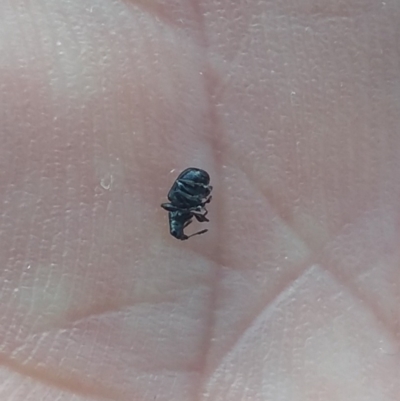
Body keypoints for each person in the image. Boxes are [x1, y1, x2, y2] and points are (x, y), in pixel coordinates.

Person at [0, 1, 399, 400]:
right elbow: (184, 205)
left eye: (181, 228)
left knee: (188, 208)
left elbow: (182, 204)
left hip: (190, 190)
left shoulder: (179, 208)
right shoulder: (181, 210)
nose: (182, 226)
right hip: (191, 190)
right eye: (182, 227)